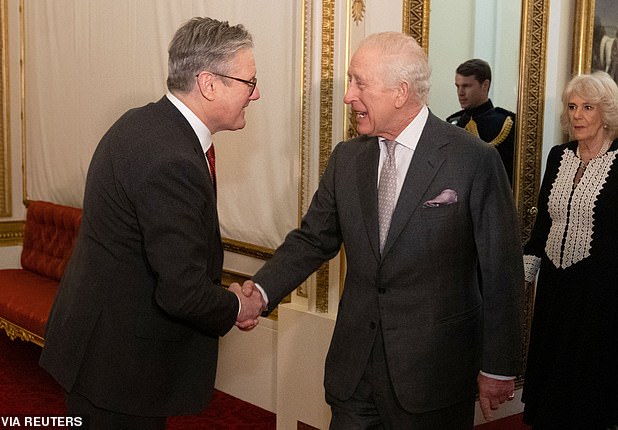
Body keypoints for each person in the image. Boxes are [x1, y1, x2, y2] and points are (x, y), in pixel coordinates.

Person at [243, 32, 523, 429]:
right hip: (355, 370)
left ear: (400, 92)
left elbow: (501, 270)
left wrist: (498, 365)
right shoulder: (347, 158)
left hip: (433, 376)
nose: (348, 96)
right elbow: (313, 239)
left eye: (359, 82)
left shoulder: (473, 160)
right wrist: (261, 291)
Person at [39, 17, 265, 429]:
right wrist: (237, 305)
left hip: (103, 350)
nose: (256, 93)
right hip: (121, 369)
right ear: (209, 84)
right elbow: (181, 292)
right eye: (249, 83)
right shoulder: (171, 158)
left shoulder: (144, 123)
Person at [521, 72, 618, 429]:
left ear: (606, 113)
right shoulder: (558, 155)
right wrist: (524, 273)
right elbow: (544, 223)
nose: (577, 115)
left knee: (589, 387)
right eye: (572, 106)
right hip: (555, 288)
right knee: (551, 382)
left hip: (600, 294)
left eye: (587, 107)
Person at [446, 59, 516, 184]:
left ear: (485, 85)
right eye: (458, 86)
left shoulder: (505, 123)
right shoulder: (453, 122)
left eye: (466, 86)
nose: (460, 93)